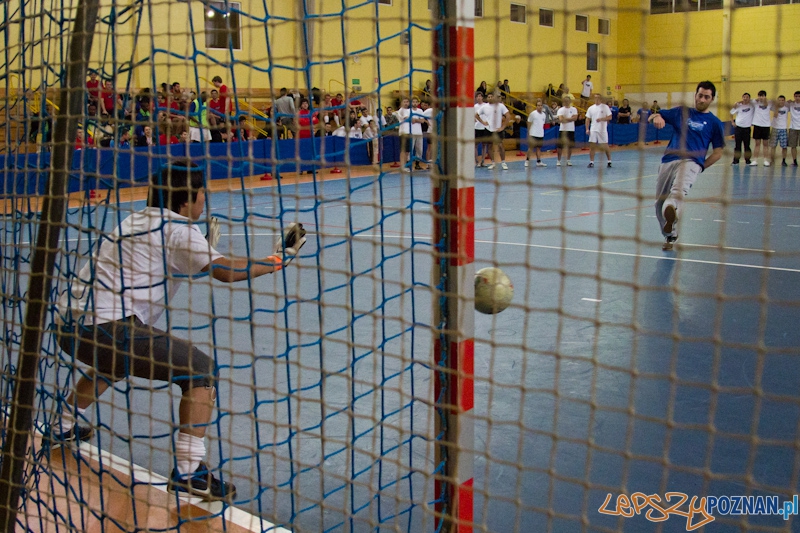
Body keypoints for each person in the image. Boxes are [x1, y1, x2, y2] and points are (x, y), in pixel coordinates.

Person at [52, 161, 305, 501]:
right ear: (187, 201)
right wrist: (278, 260)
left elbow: (162, 266)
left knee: (114, 364)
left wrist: (200, 251)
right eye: (202, 195)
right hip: (106, 330)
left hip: (69, 327)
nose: (205, 201)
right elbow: (225, 272)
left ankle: (62, 424)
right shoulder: (178, 230)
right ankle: (189, 472)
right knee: (200, 369)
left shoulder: (136, 219)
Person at [649, 81, 724, 251]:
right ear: (695, 95)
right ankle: (670, 235)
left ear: (712, 99)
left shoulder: (714, 123)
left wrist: (701, 166)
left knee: (677, 193)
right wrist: (658, 116)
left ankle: (672, 207)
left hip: (691, 162)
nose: (702, 99)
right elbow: (653, 114)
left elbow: (718, 152)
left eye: (706, 97)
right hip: (668, 160)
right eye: (700, 95)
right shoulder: (681, 112)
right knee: (658, 204)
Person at [483, 93, 510, 170]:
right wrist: (483, 122)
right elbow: (476, 114)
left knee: (500, 146)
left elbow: (508, 116)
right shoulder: (485, 106)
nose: (490, 98)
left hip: (498, 130)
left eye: (492, 96)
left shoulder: (500, 106)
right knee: (490, 146)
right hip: (488, 129)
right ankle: (493, 162)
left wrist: (503, 127)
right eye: (489, 97)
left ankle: (503, 162)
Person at [585, 94, 613, 168]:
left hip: (602, 130)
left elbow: (610, 117)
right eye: (595, 98)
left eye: (598, 98)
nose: (596, 99)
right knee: (592, 146)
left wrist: (601, 119)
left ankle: (609, 161)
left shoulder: (605, 107)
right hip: (593, 129)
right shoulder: (591, 108)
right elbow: (587, 119)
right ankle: (591, 162)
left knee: (605, 145)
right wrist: (587, 129)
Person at [730, 93, 754, 165]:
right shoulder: (738, 106)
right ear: (742, 98)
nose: (745, 98)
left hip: (747, 128)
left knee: (747, 145)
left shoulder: (752, 106)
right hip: (738, 128)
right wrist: (732, 122)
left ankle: (747, 160)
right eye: (744, 97)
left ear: (749, 98)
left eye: (747, 97)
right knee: (737, 145)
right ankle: (736, 160)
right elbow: (731, 113)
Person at [556, 94, 578, 166]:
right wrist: (570, 119)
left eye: (568, 101)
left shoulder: (574, 109)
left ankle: (568, 160)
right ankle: (558, 160)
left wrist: (566, 118)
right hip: (563, 130)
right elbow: (561, 120)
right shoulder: (561, 110)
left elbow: (575, 118)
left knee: (570, 146)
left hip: (571, 130)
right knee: (560, 146)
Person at [751, 90, 772, 166]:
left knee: (765, 144)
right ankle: (755, 160)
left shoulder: (769, 103)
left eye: (762, 96)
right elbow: (746, 100)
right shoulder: (755, 102)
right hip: (757, 125)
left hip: (766, 126)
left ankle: (766, 160)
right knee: (757, 144)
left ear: (765, 96)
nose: (761, 97)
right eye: (759, 96)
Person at [525, 99, 547, 167]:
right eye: (538, 105)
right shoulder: (533, 114)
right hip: (533, 134)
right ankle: (527, 160)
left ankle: (538, 161)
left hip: (540, 134)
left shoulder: (544, 115)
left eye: (541, 105)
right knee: (531, 148)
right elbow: (529, 122)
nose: (539, 107)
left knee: (539, 148)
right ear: (536, 106)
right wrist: (528, 132)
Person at [769, 95, 789, 166]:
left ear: (784, 101)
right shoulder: (773, 107)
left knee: (784, 146)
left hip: (783, 128)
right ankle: (772, 160)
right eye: (779, 100)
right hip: (775, 128)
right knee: (773, 146)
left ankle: (783, 160)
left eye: (782, 100)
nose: (781, 101)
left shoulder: (787, 108)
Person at [474, 92, 490, 167]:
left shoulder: (486, 106)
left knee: (484, 144)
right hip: (477, 127)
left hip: (485, 128)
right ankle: (477, 161)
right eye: (478, 96)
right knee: (475, 145)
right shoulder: (474, 106)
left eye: (480, 96)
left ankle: (483, 161)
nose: (479, 97)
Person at [789, 91, 800, 167]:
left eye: (799, 96)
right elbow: (780, 103)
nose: (797, 98)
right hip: (793, 127)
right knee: (793, 146)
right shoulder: (791, 104)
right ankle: (794, 161)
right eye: (795, 96)